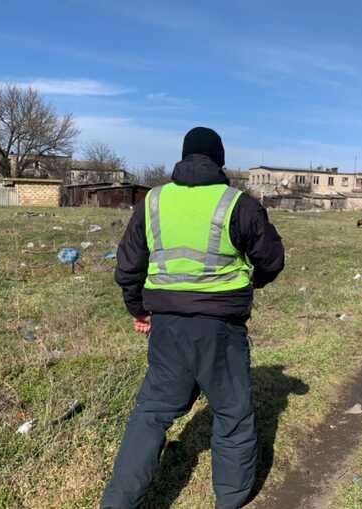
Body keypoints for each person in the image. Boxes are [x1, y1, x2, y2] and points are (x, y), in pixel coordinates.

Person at [102, 127, 285, 509]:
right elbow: (271, 260)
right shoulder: (238, 203)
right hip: (221, 330)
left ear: (183, 158)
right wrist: (253, 283)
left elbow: (128, 267)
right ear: (218, 160)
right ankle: (230, 500)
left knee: (151, 414)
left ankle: (117, 503)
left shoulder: (152, 202)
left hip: (166, 327)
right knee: (232, 413)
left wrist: (139, 309)